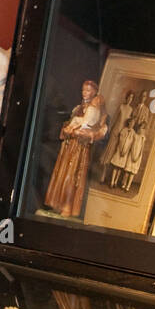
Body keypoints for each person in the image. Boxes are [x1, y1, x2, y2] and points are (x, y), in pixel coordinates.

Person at [44, 80, 105, 217]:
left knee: (73, 175)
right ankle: (57, 203)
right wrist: (67, 129)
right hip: (69, 145)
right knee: (63, 172)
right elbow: (71, 122)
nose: (85, 93)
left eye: (88, 90)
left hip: (80, 148)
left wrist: (85, 134)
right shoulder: (78, 108)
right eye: (84, 90)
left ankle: (68, 206)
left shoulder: (95, 111)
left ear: (94, 92)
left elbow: (98, 130)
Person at [99, 89, 134, 185]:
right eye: (129, 97)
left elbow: (128, 123)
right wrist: (110, 130)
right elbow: (114, 118)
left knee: (116, 156)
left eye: (132, 98)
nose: (130, 99)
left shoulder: (131, 110)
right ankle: (103, 176)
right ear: (126, 98)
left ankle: (111, 180)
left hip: (122, 135)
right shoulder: (121, 107)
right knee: (109, 153)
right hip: (115, 132)